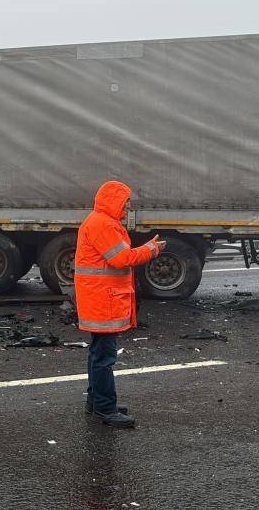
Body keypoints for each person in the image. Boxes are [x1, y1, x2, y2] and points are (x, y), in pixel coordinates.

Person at [75, 180, 164, 428]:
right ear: (113, 201)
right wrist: (151, 249)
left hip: (99, 298)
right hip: (104, 300)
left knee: (98, 354)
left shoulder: (99, 221)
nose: (126, 208)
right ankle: (105, 409)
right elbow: (122, 259)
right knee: (104, 357)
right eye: (124, 203)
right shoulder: (103, 224)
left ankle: (96, 403)